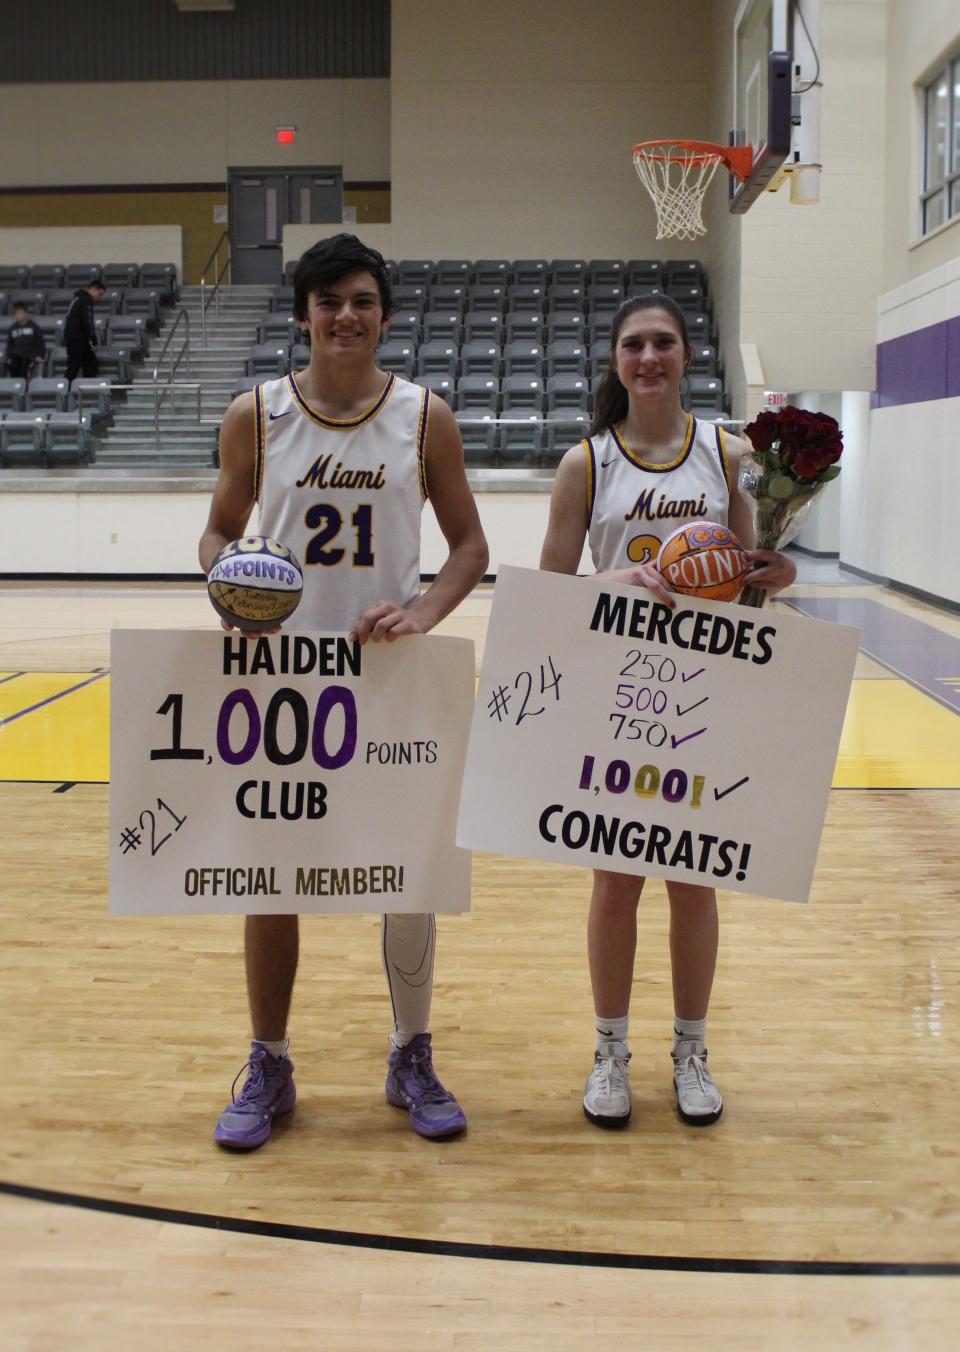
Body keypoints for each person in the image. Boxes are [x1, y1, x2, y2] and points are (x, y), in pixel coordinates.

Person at [199, 233, 488, 1150]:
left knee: (407, 875)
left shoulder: (423, 416)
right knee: (270, 874)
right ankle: (270, 1060)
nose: (346, 316)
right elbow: (215, 533)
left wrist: (426, 613)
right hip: (284, 675)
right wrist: (232, 594)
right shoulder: (256, 415)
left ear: (385, 315)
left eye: (362, 300)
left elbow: (470, 548)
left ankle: (411, 1052)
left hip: (389, 676)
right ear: (304, 317)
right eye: (329, 302)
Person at [539, 295, 796, 1130]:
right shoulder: (587, 463)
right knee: (615, 883)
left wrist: (774, 575)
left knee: (693, 883)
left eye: (663, 343)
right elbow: (545, 597)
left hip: (705, 691)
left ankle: (691, 1050)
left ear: (688, 357)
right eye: (633, 344)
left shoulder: (727, 455)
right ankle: (610, 1052)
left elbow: (751, 586)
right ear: (615, 361)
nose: (648, 356)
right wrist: (608, 581)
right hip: (616, 691)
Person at [63, 279, 105, 382]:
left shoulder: (77, 299)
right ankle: (67, 392)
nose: (99, 298)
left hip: (74, 337)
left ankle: (85, 390)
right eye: (99, 294)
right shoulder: (86, 300)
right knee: (74, 367)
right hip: (77, 338)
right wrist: (94, 341)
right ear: (94, 289)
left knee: (90, 363)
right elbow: (88, 322)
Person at [4, 302, 46, 380]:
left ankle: (23, 386)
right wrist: (8, 357)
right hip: (16, 356)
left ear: (25, 313)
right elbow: (9, 345)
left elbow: (40, 342)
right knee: (12, 365)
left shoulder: (33, 326)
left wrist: (40, 355)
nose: (18, 315)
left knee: (24, 367)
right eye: (17, 313)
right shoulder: (13, 328)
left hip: (29, 356)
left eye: (20, 313)